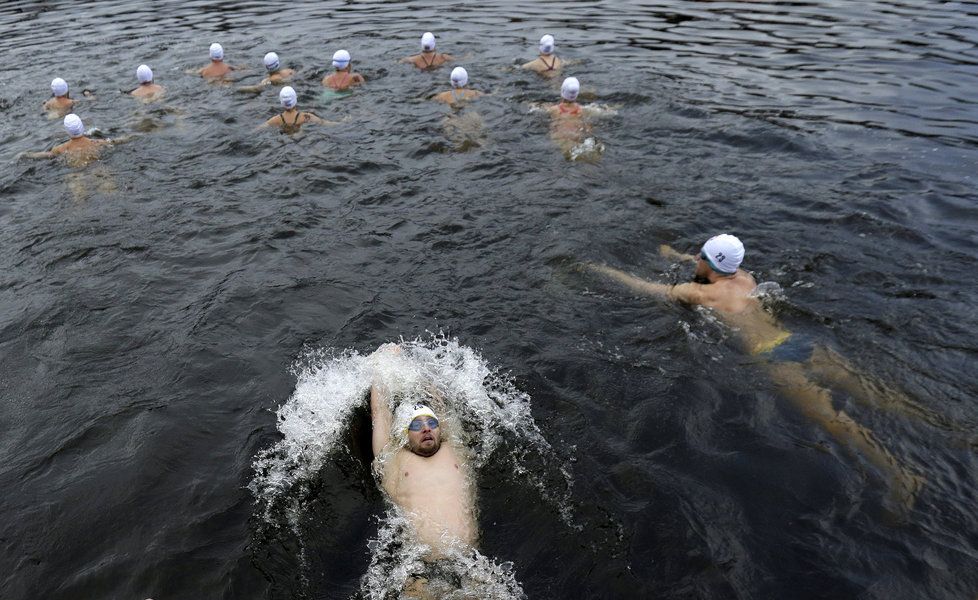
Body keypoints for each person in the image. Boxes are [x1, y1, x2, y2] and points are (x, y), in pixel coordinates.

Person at [583, 234, 924, 510]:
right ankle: (941, 427)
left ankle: (902, 476)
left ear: (709, 263)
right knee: (879, 395)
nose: (696, 260)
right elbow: (707, 263)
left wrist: (602, 270)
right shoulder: (746, 278)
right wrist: (674, 254)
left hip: (773, 357)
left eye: (699, 256)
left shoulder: (702, 294)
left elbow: (646, 288)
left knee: (833, 420)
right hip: (800, 342)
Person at [368, 344, 477, 559]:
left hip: (470, 561)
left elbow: (440, 404)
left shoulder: (454, 447)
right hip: (418, 565)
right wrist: (382, 365)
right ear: (405, 433)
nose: (426, 428)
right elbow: (380, 414)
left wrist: (418, 364)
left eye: (431, 423)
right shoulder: (393, 458)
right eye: (416, 426)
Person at [22, 113, 131, 167]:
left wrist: (26, 154)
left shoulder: (60, 149)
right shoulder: (97, 142)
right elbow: (115, 141)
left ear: (67, 131)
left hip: (76, 172)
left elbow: (44, 155)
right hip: (96, 167)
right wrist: (130, 136)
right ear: (82, 127)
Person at [261, 86, 329, 133]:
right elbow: (323, 123)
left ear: (281, 101)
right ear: (295, 99)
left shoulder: (275, 120)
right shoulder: (306, 117)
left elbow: (259, 129)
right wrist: (339, 123)